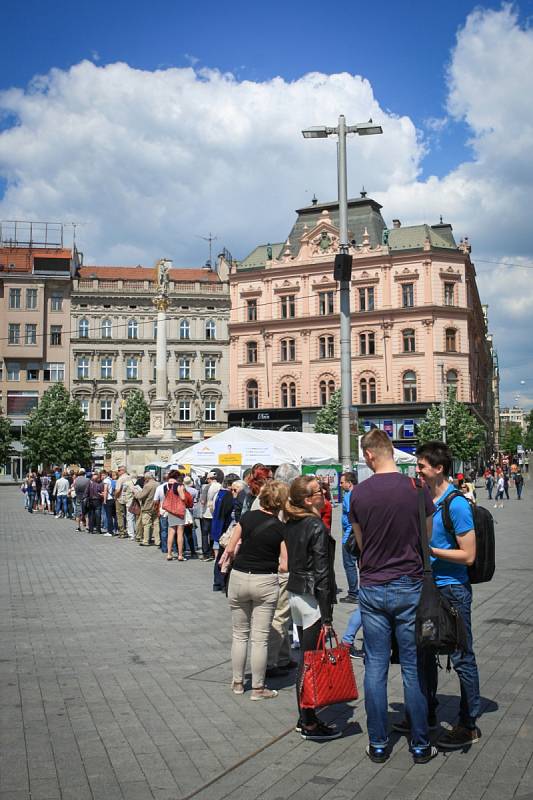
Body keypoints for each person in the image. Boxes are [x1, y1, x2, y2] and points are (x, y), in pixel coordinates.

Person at [351, 429, 437, 764]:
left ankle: (378, 743)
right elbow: (425, 537)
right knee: (413, 668)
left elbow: (359, 544)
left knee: (375, 666)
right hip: (410, 585)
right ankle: (419, 744)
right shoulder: (416, 489)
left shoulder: (358, 494)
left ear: (370, 455)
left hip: (373, 586)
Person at [416, 441, 481, 750]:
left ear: (438, 469)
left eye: (421, 466)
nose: (417, 470)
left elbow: (468, 555)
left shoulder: (455, 504)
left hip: (453, 590)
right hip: (428, 588)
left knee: (461, 656)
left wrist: (431, 552)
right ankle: (427, 712)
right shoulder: (424, 497)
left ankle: (469, 724)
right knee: (425, 651)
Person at [284, 475, 341, 742]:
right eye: (320, 490)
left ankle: (306, 717)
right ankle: (307, 721)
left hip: (296, 592)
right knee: (310, 663)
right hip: (311, 598)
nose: (324, 492)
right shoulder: (315, 525)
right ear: (308, 499)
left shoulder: (293, 521)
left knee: (306, 660)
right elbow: (322, 571)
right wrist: (327, 614)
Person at [225, 480, 288, 700]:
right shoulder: (281, 528)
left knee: (239, 635)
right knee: (260, 638)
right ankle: (259, 688)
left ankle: (238, 683)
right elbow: (284, 565)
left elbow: (231, 548)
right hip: (266, 581)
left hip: (239, 577)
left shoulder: (246, 518)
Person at [339, 471, 358, 604]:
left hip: (350, 535)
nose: (340, 485)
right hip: (358, 534)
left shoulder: (348, 496)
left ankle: (353, 594)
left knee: (349, 565)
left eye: (342, 482)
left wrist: (349, 537)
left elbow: (353, 517)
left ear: (349, 483)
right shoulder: (360, 493)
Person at [164, 470, 190, 560]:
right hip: (179, 511)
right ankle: (180, 555)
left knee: (171, 532)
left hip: (171, 511)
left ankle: (169, 554)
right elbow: (183, 497)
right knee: (180, 533)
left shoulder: (167, 486)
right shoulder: (179, 486)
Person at [200, 469, 223, 561]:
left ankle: (206, 553)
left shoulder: (207, 487)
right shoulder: (221, 486)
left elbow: (202, 501)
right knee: (214, 533)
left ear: (209, 479)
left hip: (207, 513)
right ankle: (214, 552)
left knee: (205, 534)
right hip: (217, 513)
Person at [137, 471, 160, 548]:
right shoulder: (158, 484)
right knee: (156, 524)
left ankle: (146, 541)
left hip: (147, 507)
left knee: (146, 524)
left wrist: (135, 492)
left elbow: (140, 496)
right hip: (156, 507)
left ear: (147, 478)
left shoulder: (148, 485)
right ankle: (158, 541)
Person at [114, 466, 130, 538]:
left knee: (120, 515)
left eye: (119, 470)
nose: (118, 472)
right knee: (128, 516)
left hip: (120, 499)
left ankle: (122, 532)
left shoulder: (120, 479)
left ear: (123, 471)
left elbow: (117, 490)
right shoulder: (129, 477)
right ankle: (128, 530)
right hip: (129, 499)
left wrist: (115, 496)